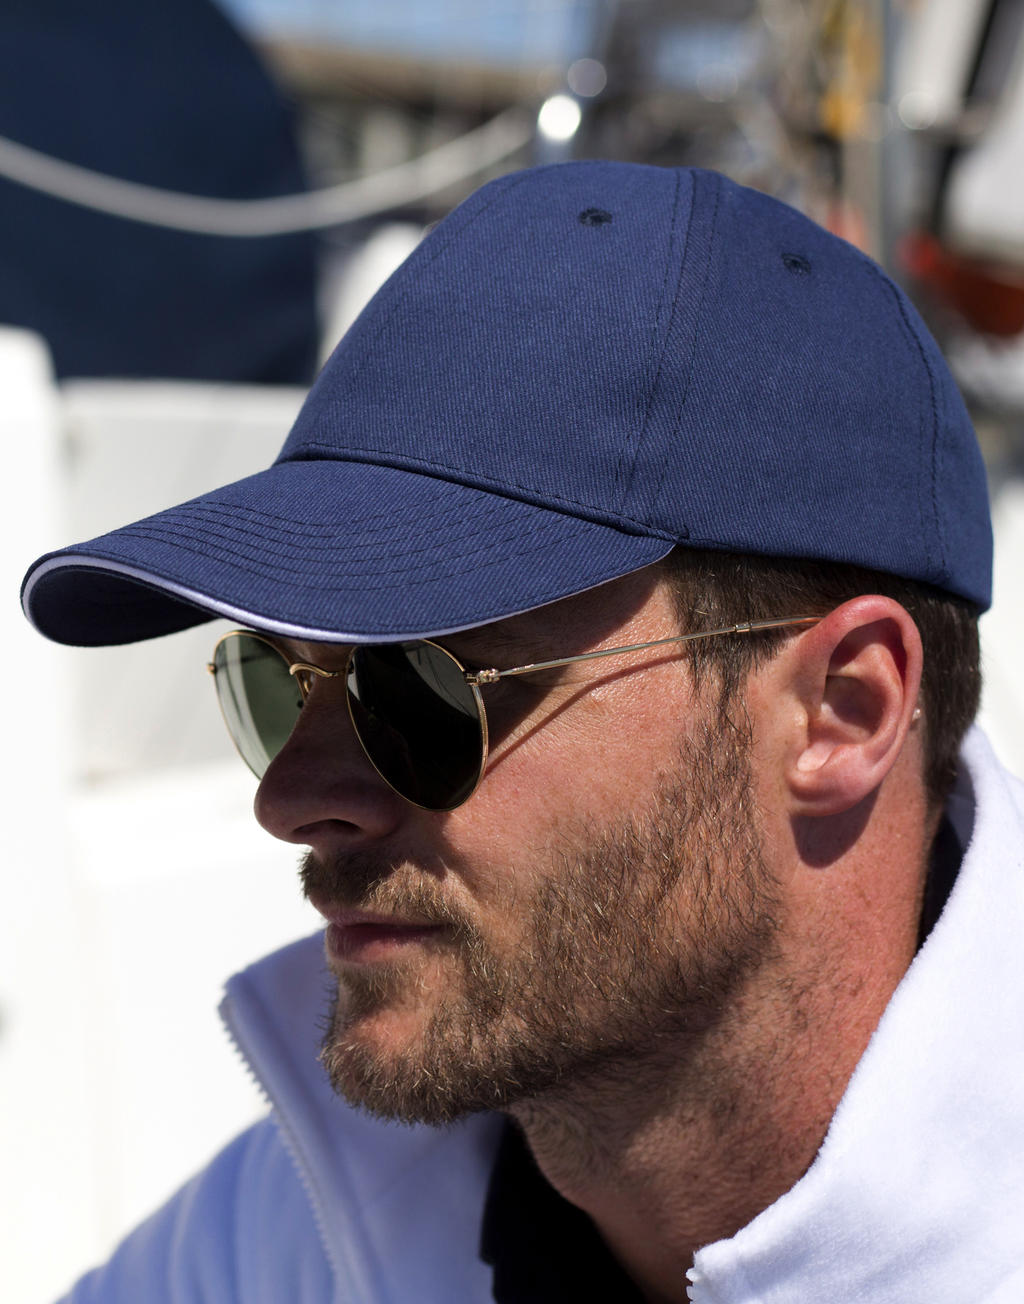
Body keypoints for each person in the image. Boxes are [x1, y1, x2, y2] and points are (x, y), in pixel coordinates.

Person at [21, 161, 1023, 1303]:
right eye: (276, 680)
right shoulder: (305, 1224)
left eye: (422, 687)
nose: (291, 798)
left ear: (842, 710)